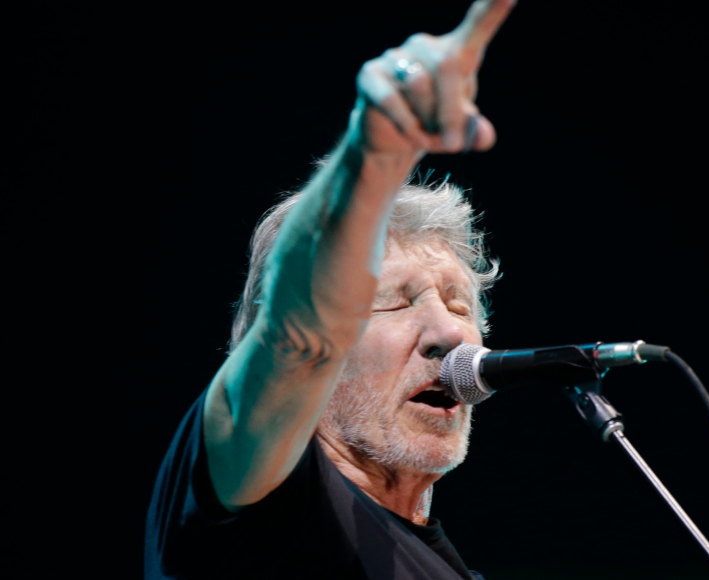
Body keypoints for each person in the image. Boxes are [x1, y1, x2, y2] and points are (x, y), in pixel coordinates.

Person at [144, 2, 516, 578]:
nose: (449, 333)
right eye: (394, 300)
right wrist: (378, 148)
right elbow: (300, 339)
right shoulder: (260, 495)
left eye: (459, 304)